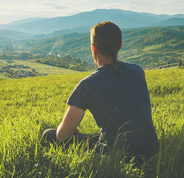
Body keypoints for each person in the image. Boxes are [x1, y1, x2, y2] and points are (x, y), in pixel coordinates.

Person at [42, 21, 159, 160]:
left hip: (116, 154)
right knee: (100, 136)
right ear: (120, 46)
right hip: (151, 148)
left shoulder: (87, 85)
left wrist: (69, 128)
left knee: (49, 135)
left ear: (93, 48)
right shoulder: (138, 71)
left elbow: (61, 136)